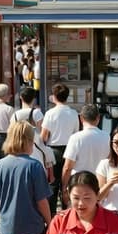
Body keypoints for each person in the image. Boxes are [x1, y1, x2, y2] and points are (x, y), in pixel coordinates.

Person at [0, 121, 52, 234]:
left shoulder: (0, 165)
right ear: (29, 141)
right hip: (32, 227)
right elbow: (41, 201)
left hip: (8, 227)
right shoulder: (35, 166)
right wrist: (50, 221)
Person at [41, 82, 79, 212]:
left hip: (53, 151)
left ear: (54, 96)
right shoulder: (73, 113)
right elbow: (76, 134)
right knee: (68, 184)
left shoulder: (50, 113)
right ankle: (67, 213)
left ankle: (51, 216)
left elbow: (44, 136)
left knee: (52, 184)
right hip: (70, 150)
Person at [61, 104, 109, 204]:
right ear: (98, 118)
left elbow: (67, 167)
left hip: (78, 185)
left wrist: (64, 188)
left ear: (81, 118)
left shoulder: (76, 138)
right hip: (99, 185)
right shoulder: (106, 137)